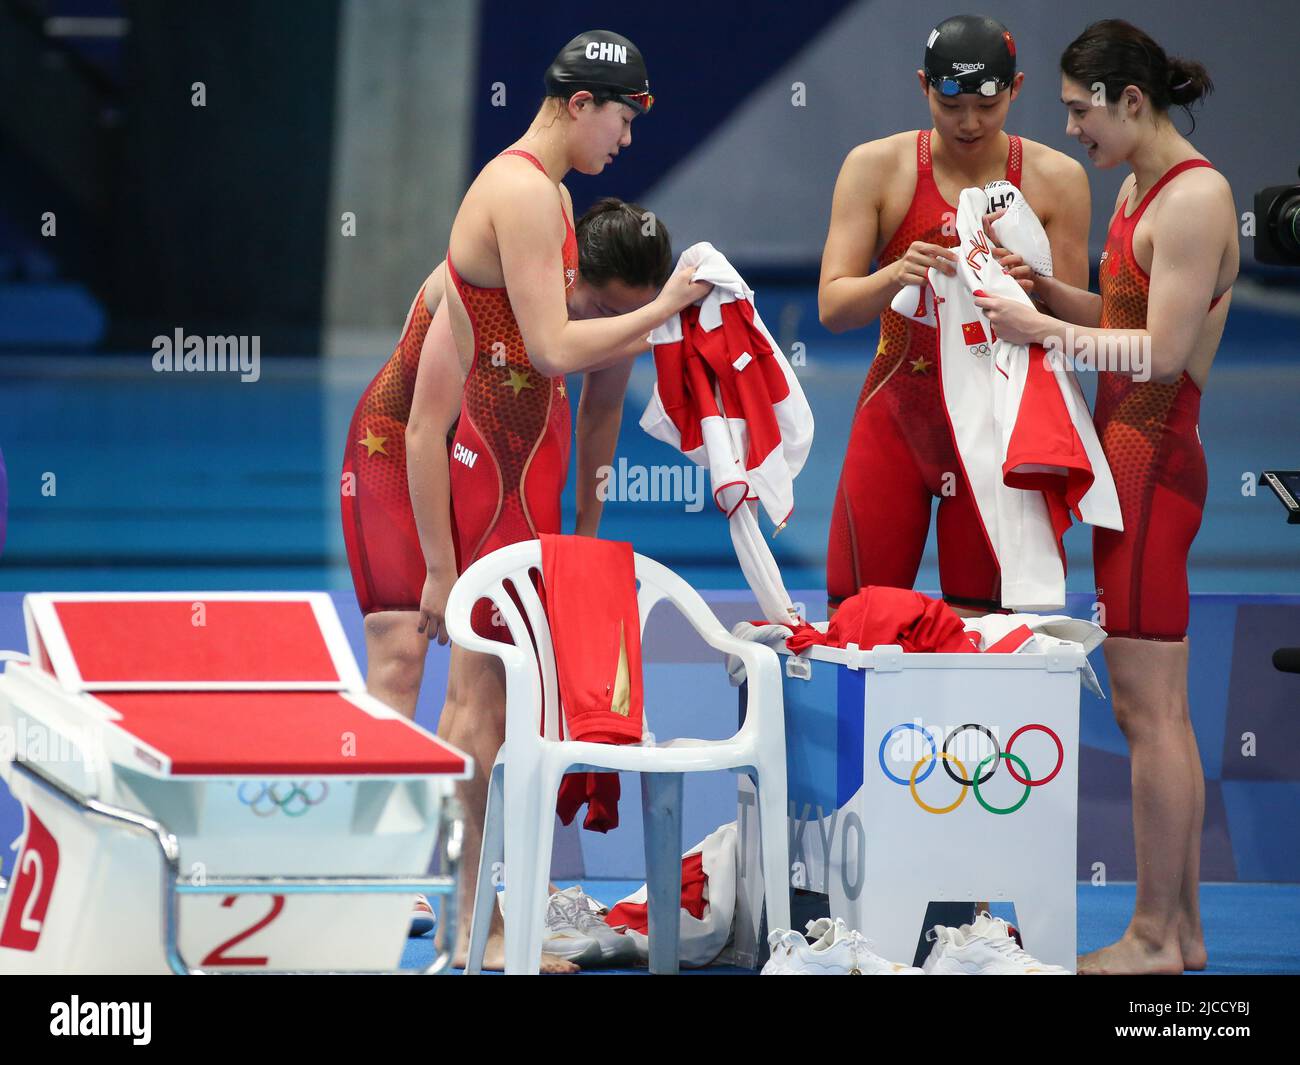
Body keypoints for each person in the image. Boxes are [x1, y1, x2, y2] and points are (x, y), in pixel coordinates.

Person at [408, 30, 709, 972]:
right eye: (621, 117)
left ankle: (487, 905)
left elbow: (571, 372)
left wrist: (577, 523)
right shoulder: (528, 194)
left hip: (516, 469)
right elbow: (552, 353)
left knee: (501, 706)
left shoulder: (545, 192)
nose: (624, 139)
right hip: (499, 471)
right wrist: (667, 310)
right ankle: (474, 925)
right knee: (482, 707)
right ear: (581, 103)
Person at [973, 19, 1237, 974]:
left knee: (1147, 710)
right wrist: (1044, 290)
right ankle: (1188, 933)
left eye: (1083, 111)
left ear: (1132, 101)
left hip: (1156, 465)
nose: (1074, 130)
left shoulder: (1198, 199)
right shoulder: (1137, 188)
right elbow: (1125, 316)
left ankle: (1153, 938)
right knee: (1155, 706)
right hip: (1128, 460)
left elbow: (1161, 355)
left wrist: (1038, 323)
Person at [819, 14, 1091, 621]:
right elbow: (833, 308)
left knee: (991, 631)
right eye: (952, 105)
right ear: (924, 87)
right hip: (897, 414)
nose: (969, 123)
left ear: (1016, 89)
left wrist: (1036, 285)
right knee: (860, 620)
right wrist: (897, 273)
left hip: (998, 429)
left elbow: (1075, 328)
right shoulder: (876, 168)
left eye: (987, 106)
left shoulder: (1056, 180)